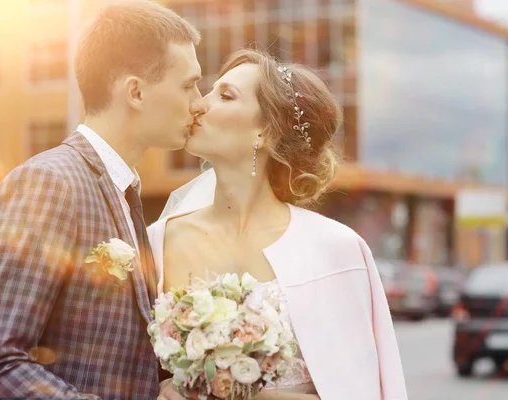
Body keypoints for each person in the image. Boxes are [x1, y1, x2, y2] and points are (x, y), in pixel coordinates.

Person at [0, 1, 202, 399]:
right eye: (189, 85)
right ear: (136, 92)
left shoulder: (124, 193)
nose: (199, 102)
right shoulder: (48, 184)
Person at [149, 49, 408, 400]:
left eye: (224, 96)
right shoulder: (157, 241)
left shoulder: (338, 251)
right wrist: (164, 387)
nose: (199, 105)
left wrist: (244, 394)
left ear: (265, 133)